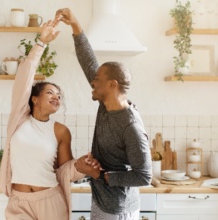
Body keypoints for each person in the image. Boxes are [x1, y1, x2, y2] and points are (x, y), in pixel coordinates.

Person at [55, 8, 153, 220]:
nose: (92, 81)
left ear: (111, 84)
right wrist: (75, 25)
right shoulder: (105, 103)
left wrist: (99, 174)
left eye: (97, 79)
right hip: (102, 202)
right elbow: (89, 62)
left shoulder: (131, 126)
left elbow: (144, 176)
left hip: (119, 208)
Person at [0, 19, 85, 220]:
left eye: (59, 96)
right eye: (50, 93)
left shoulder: (61, 131)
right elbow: (25, 74)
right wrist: (41, 43)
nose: (56, 97)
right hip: (19, 202)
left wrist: (81, 166)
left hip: (50, 200)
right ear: (34, 99)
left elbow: (65, 170)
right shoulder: (19, 119)